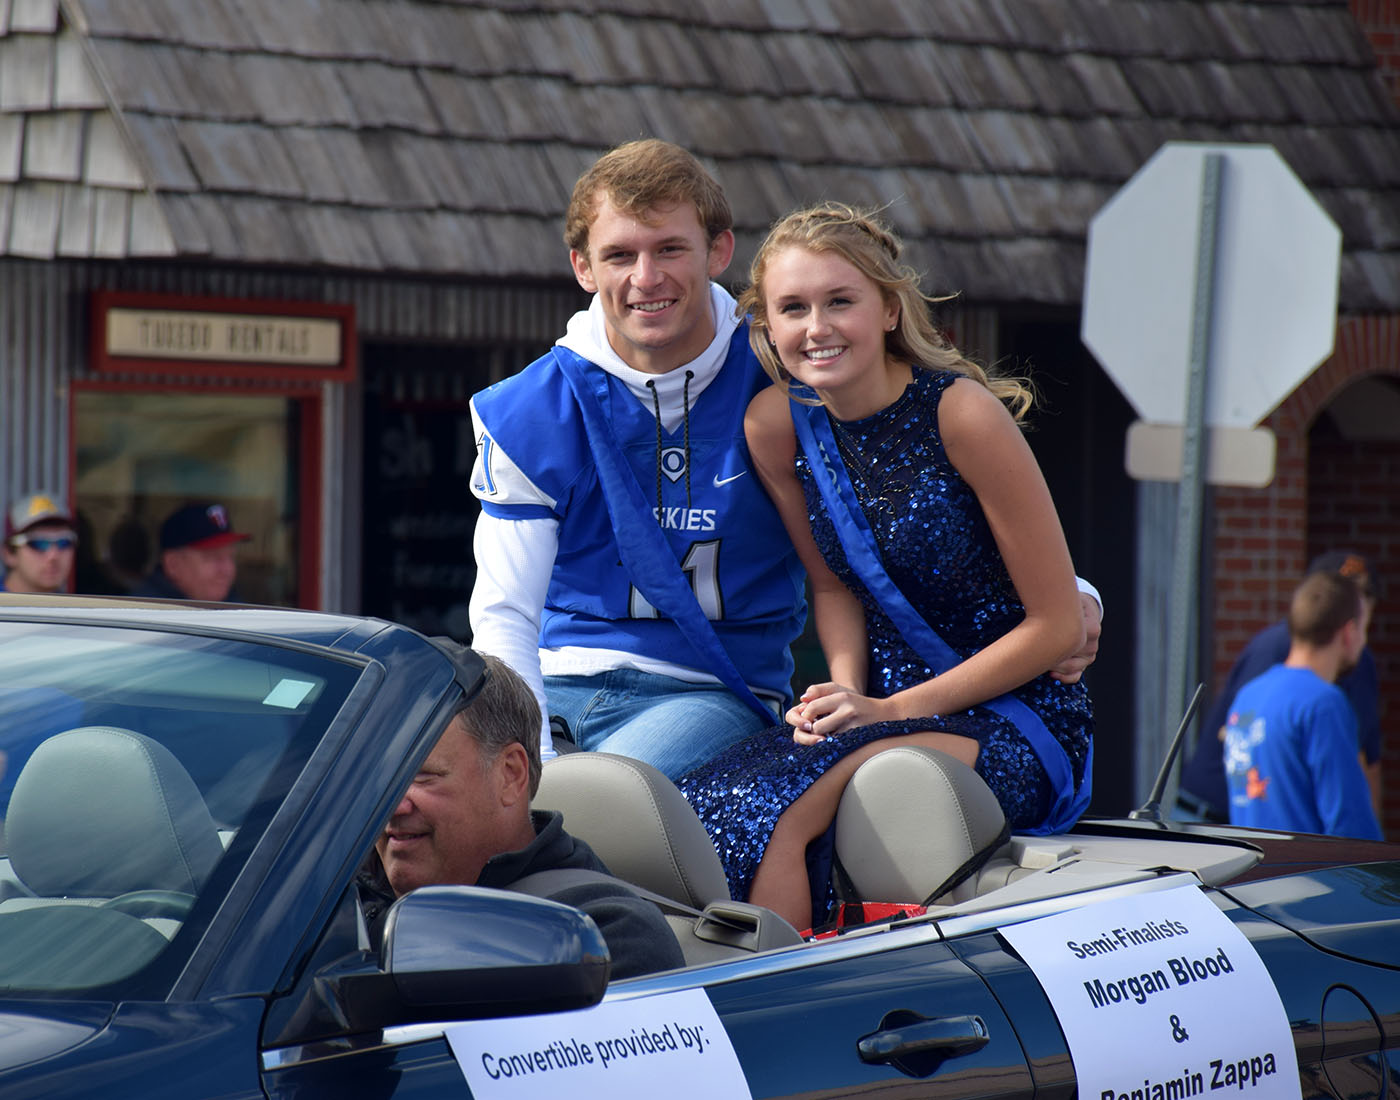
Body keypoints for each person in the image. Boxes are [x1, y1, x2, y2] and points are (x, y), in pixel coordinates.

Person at [468, 138, 1103, 779]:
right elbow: (503, 612)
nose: (646, 278)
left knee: (610, 803)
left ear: (719, 251)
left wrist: (1074, 593)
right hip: (554, 682)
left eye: (669, 249)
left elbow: (904, 497)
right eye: (619, 255)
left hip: (708, 689)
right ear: (582, 267)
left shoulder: (789, 367)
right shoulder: (530, 407)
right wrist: (529, 761)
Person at [677, 203, 1093, 930]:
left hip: (1014, 716)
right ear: (767, 327)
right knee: (709, 799)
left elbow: (1057, 624)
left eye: (841, 301)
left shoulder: (961, 415)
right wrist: (844, 692)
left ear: (890, 309)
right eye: (793, 308)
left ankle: (793, 1002)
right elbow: (834, 584)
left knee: (776, 808)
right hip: (877, 709)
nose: (817, 327)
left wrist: (889, 712)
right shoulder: (774, 427)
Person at [364, 647, 684, 980]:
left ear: (511, 774)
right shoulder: (328, 897)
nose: (395, 805)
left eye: (422, 776)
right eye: (382, 779)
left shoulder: (606, 938)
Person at [1178, 551, 1382, 824]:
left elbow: (1365, 759)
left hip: (1255, 844)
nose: (1361, 603)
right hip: (1214, 821)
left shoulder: (1257, 693)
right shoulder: (1319, 701)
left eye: (1367, 593)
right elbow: (1351, 822)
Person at [1222, 571, 1382, 839]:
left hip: (1250, 876)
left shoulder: (1248, 696)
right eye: (1364, 628)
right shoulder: (1323, 704)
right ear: (1349, 631)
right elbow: (1352, 829)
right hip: (1307, 876)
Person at [131, 502, 250, 602]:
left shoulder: (239, 611)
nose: (226, 570)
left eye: (231, 557)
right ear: (173, 564)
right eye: (212, 557)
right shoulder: (140, 618)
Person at [1, 492, 77, 594]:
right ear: (8, 553)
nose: (53, 555)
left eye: (64, 542)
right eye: (39, 543)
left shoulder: (74, 607)